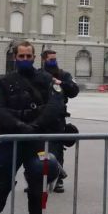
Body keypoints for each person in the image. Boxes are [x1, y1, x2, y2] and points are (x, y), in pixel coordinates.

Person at [0, 41, 65, 214]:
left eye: (29, 56)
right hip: (11, 140)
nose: (25, 60)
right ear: (14, 57)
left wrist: (34, 125)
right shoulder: (1, 81)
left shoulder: (46, 80)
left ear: (35, 58)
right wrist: (19, 124)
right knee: (0, 188)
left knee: (37, 187)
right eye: (22, 56)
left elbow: (56, 106)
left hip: (35, 139)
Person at [39, 49, 79, 193]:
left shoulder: (63, 74)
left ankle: (58, 180)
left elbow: (74, 90)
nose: (53, 62)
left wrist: (61, 83)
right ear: (43, 60)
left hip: (57, 118)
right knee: (39, 151)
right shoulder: (38, 75)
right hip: (40, 117)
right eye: (51, 59)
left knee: (56, 150)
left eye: (55, 59)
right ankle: (39, 179)